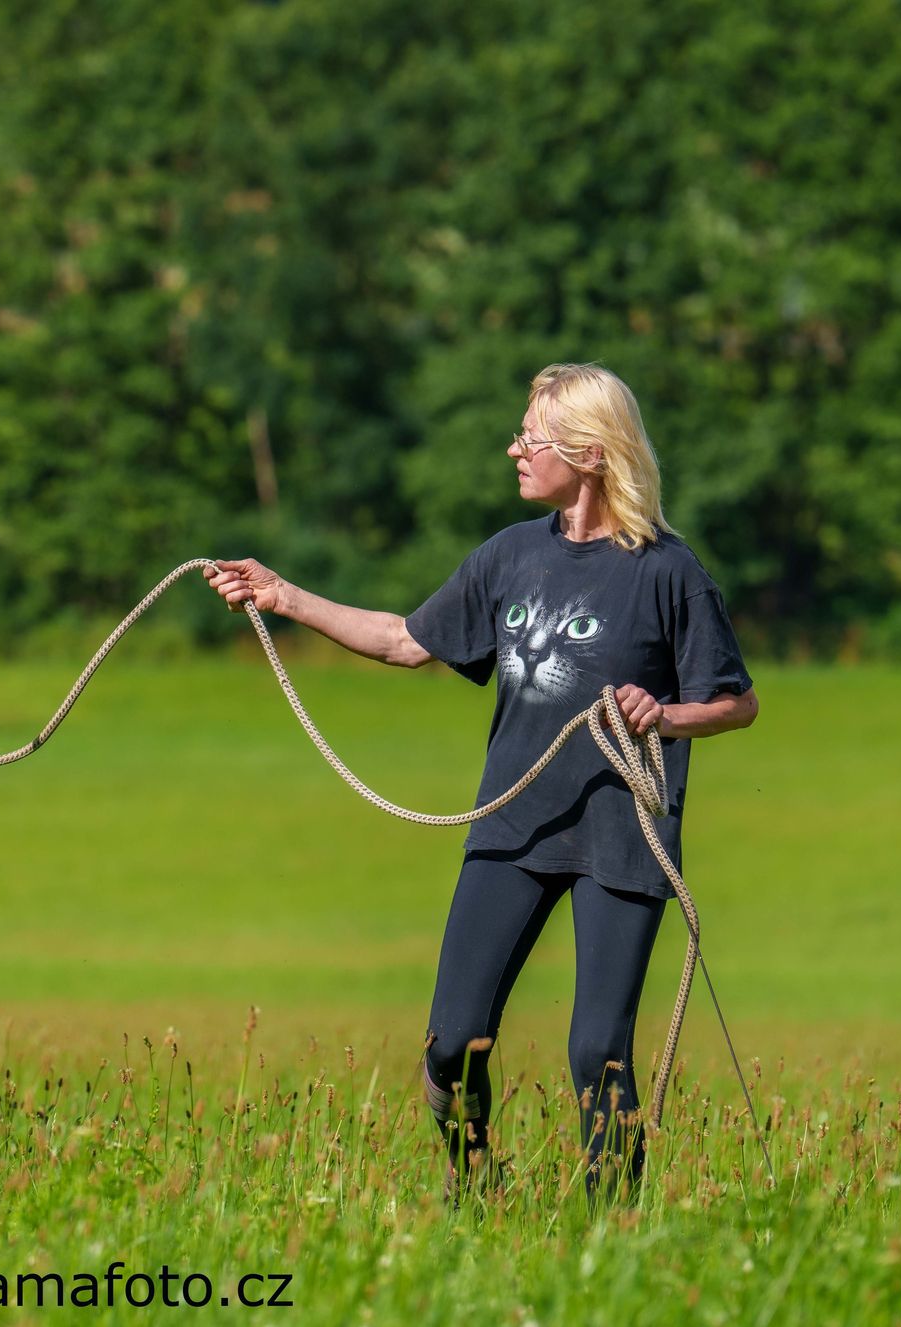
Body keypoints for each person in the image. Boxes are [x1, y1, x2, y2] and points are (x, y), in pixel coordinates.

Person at [208, 363, 757, 1196]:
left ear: (590, 450)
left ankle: (613, 1232)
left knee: (596, 1049)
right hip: (515, 827)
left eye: (530, 437)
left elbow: (735, 701)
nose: (514, 450)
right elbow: (405, 639)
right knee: (453, 1039)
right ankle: (476, 1181)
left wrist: (667, 715)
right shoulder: (509, 556)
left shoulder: (667, 571)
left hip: (621, 834)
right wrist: (283, 595)